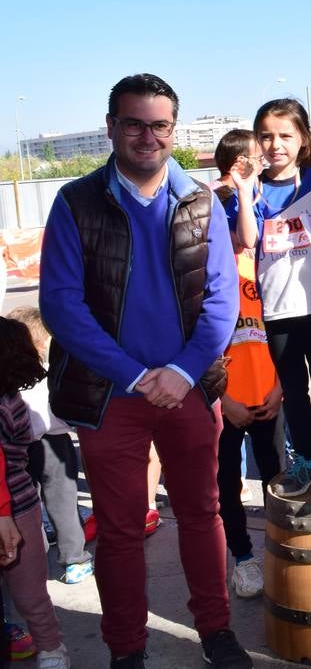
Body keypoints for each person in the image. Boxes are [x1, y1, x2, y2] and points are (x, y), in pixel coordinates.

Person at [39, 73, 249, 668]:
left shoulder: (202, 200)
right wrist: (135, 375)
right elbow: (60, 304)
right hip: (112, 396)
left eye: (159, 125)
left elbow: (221, 300)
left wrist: (183, 373)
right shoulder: (75, 202)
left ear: (173, 131)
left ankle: (215, 630)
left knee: (202, 513)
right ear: (111, 127)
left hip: (188, 389)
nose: (147, 136)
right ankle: (126, 648)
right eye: (134, 123)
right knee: (123, 530)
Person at [230, 99, 311, 498]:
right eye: (266, 136)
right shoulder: (253, 190)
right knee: (294, 390)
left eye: (285, 135)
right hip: (276, 310)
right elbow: (248, 239)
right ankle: (307, 462)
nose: (275, 144)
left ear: (303, 138)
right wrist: (244, 192)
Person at [212, 131, 283, 599]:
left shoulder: (265, 263)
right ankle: (241, 558)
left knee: (276, 476)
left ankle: (281, 551)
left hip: (268, 394)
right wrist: (222, 395)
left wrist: (280, 388)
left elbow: (280, 335)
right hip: (229, 398)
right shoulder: (208, 273)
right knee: (228, 484)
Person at [0, 317, 68, 669]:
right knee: (30, 592)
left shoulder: (7, 406)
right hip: (22, 501)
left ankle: (51, 647)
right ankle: (50, 647)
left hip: (16, 506)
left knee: (28, 590)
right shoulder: (15, 402)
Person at [10, 308, 92, 585]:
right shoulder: (47, 371)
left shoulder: (9, 376)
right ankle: (74, 559)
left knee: (25, 506)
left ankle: (33, 556)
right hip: (53, 442)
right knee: (63, 503)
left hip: (16, 447)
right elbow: (60, 412)